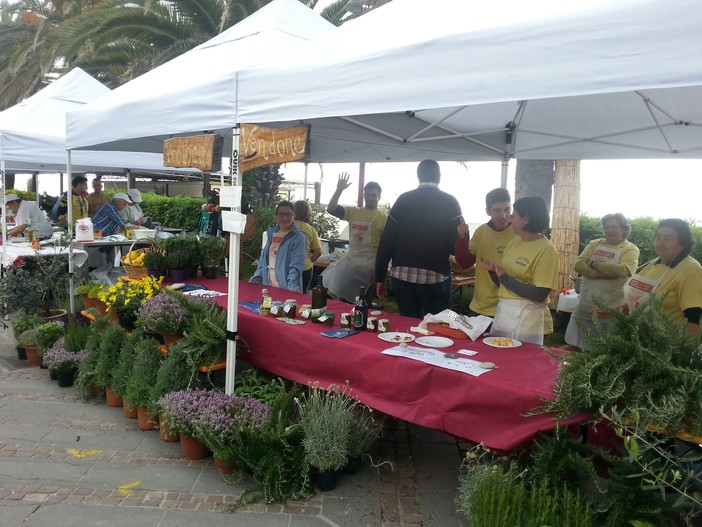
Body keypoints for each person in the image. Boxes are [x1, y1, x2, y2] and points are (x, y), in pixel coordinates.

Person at [375, 160, 464, 318]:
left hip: (402, 275)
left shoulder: (403, 200)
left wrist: (380, 277)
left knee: (409, 324)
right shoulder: (450, 202)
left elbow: (387, 241)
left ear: (418, 177)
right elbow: (457, 244)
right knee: (438, 326)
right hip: (436, 276)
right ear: (439, 177)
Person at [481, 196, 558, 344]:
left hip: (528, 320)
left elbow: (540, 294)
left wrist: (504, 277)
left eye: (513, 216)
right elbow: (504, 284)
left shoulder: (546, 250)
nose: (509, 220)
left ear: (526, 219)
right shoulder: (514, 243)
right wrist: (493, 272)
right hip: (504, 314)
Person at [565, 213, 639, 350]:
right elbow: (579, 265)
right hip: (586, 304)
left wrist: (595, 264)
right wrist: (598, 275)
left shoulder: (630, 249)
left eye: (614, 227)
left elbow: (623, 270)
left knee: (605, 347)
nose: (609, 230)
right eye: (607, 227)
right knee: (578, 343)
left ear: (623, 229)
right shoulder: (595, 244)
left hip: (611, 308)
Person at [621, 218, 702, 335]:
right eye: (658, 237)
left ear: (683, 243)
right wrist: (610, 311)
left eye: (667, 238)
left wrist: (681, 351)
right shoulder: (654, 263)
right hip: (640, 337)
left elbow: (694, 317)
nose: (660, 242)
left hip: (667, 344)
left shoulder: (690, 270)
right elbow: (638, 300)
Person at [454, 187, 517, 318]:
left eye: (507, 209)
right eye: (497, 210)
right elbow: (465, 263)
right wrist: (461, 239)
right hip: (479, 307)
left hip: (509, 308)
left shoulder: (520, 233)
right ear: (488, 211)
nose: (504, 215)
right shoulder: (481, 231)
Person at [323, 174, 387, 302]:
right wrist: (339, 189)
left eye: (374, 195)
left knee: (362, 303)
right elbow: (331, 209)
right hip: (350, 266)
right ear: (364, 195)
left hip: (368, 269)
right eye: (368, 195)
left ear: (379, 196)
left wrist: (379, 275)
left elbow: (385, 247)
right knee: (343, 303)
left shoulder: (383, 218)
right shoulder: (354, 212)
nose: (370, 198)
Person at [249, 201, 306, 292]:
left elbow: (296, 264)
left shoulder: (298, 237)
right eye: (281, 214)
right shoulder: (272, 233)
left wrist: (293, 286)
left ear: (294, 216)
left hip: (287, 288)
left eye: (288, 214)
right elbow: (264, 259)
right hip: (268, 285)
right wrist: (255, 278)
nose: (285, 217)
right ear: (276, 217)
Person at [293, 200, 322, 292]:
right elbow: (318, 252)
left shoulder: (288, 226)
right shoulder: (310, 229)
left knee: (286, 291)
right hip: (305, 266)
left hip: (289, 264)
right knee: (303, 292)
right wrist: (310, 260)